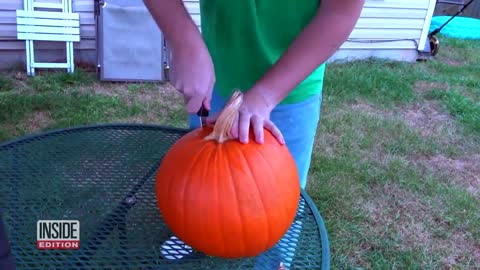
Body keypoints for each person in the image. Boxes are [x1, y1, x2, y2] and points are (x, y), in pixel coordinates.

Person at [144, 0, 364, 266]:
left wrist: (267, 94)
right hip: (215, 73)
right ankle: (195, 228)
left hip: (291, 87)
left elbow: (340, 12)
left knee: (277, 195)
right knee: (204, 175)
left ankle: (275, 261)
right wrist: (183, 39)